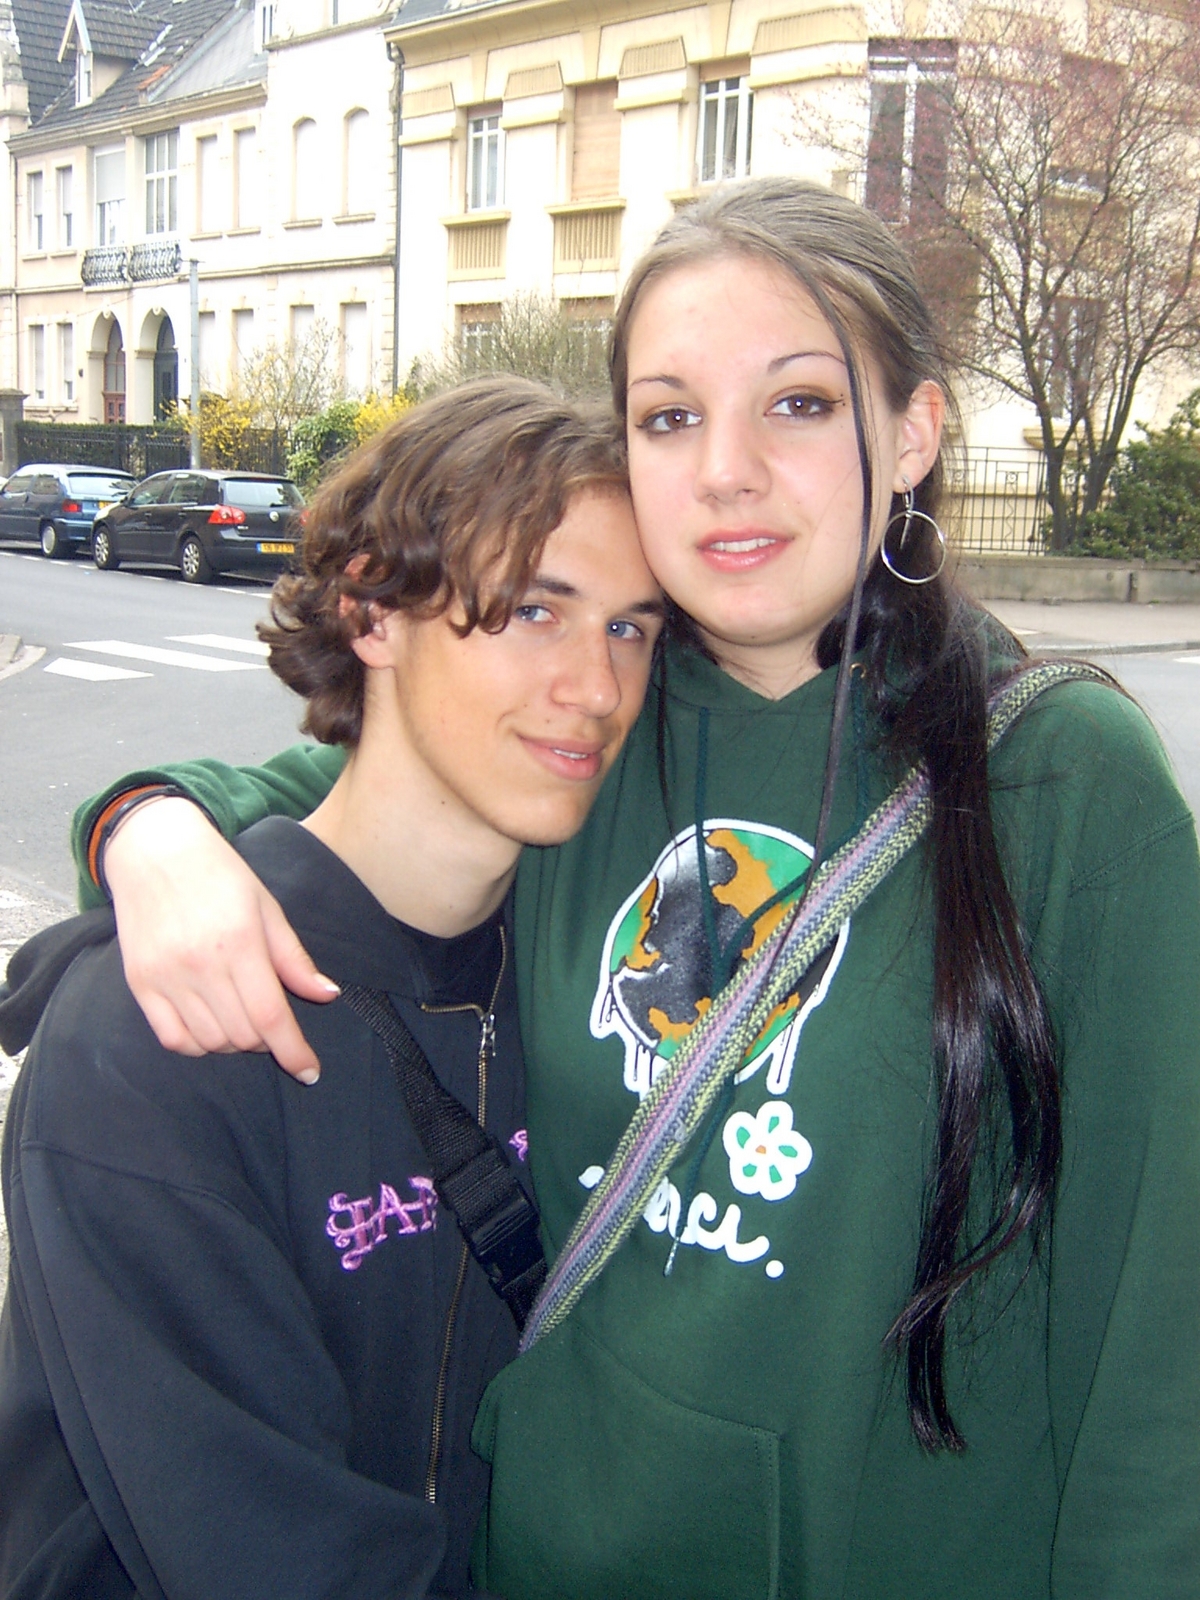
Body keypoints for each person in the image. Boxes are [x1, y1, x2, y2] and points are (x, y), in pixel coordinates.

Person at [54, 180, 1200, 1596]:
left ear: (912, 432)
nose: (725, 471)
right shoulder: (602, 724)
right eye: (669, 416)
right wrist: (150, 826)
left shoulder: (1060, 779)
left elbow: (1158, 1346)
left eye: (796, 404)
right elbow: (358, 798)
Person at [0, 376, 664, 1599]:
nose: (597, 688)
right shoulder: (157, 1036)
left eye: (631, 627)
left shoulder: (590, 990)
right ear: (371, 611)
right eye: (534, 609)